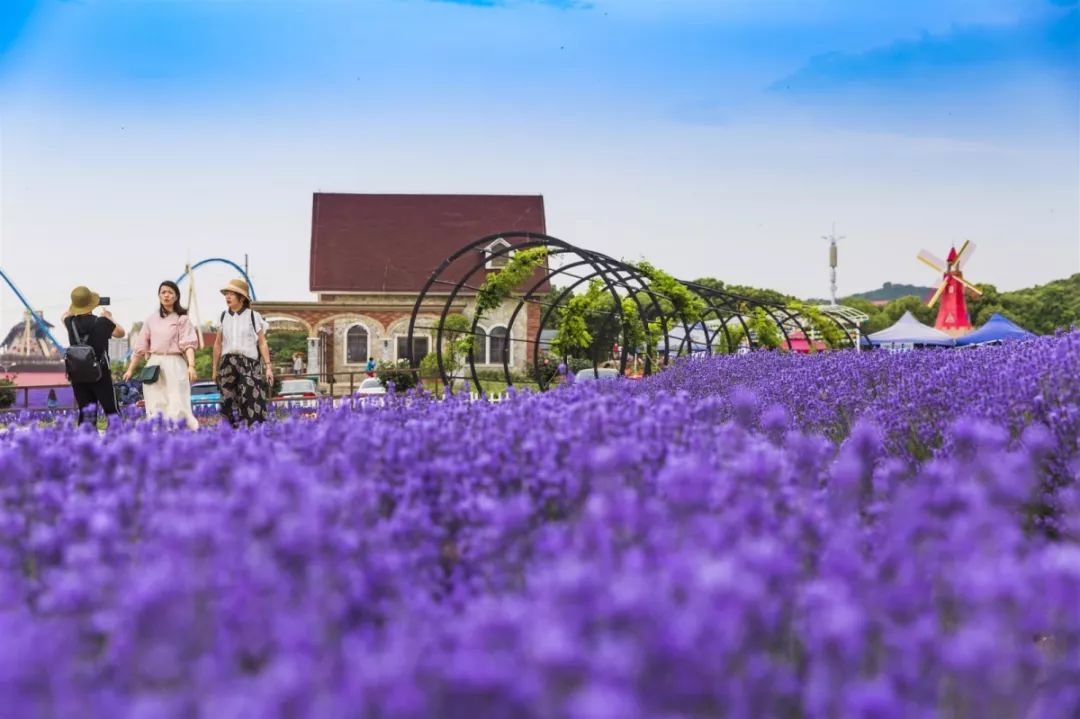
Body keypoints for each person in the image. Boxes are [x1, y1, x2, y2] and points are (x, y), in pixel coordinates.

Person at [123, 280, 199, 430]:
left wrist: (191, 366)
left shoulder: (181, 319)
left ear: (176, 297)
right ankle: (157, 432)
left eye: (170, 292)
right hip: (154, 364)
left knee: (177, 399)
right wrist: (130, 369)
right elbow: (140, 347)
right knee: (155, 399)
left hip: (175, 363)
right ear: (159, 296)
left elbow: (188, 344)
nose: (166, 295)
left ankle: (178, 431)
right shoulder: (151, 319)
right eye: (163, 292)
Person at [212, 278, 272, 427]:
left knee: (252, 401)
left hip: (249, 364)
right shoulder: (223, 316)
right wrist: (215, 369)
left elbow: (262, 342)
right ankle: (230, 440)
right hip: (227, 364)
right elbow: (217, 344)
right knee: (227, 403)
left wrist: (268, 367)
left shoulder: (253, 316)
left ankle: (257, 437)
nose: (227, 297)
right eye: (226, 293)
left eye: (232, 293)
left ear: (242, 297)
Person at [63, 285, 125, 427]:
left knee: (86, 413)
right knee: (111, 409)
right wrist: (110, 318)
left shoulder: (69, 322)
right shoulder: (102, 322)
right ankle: (118, 439)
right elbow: (121, 333)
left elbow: (64, 315)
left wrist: (76, 305)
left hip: (77, 374)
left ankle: (86, 444)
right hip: (100, 373)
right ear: (92, 304)